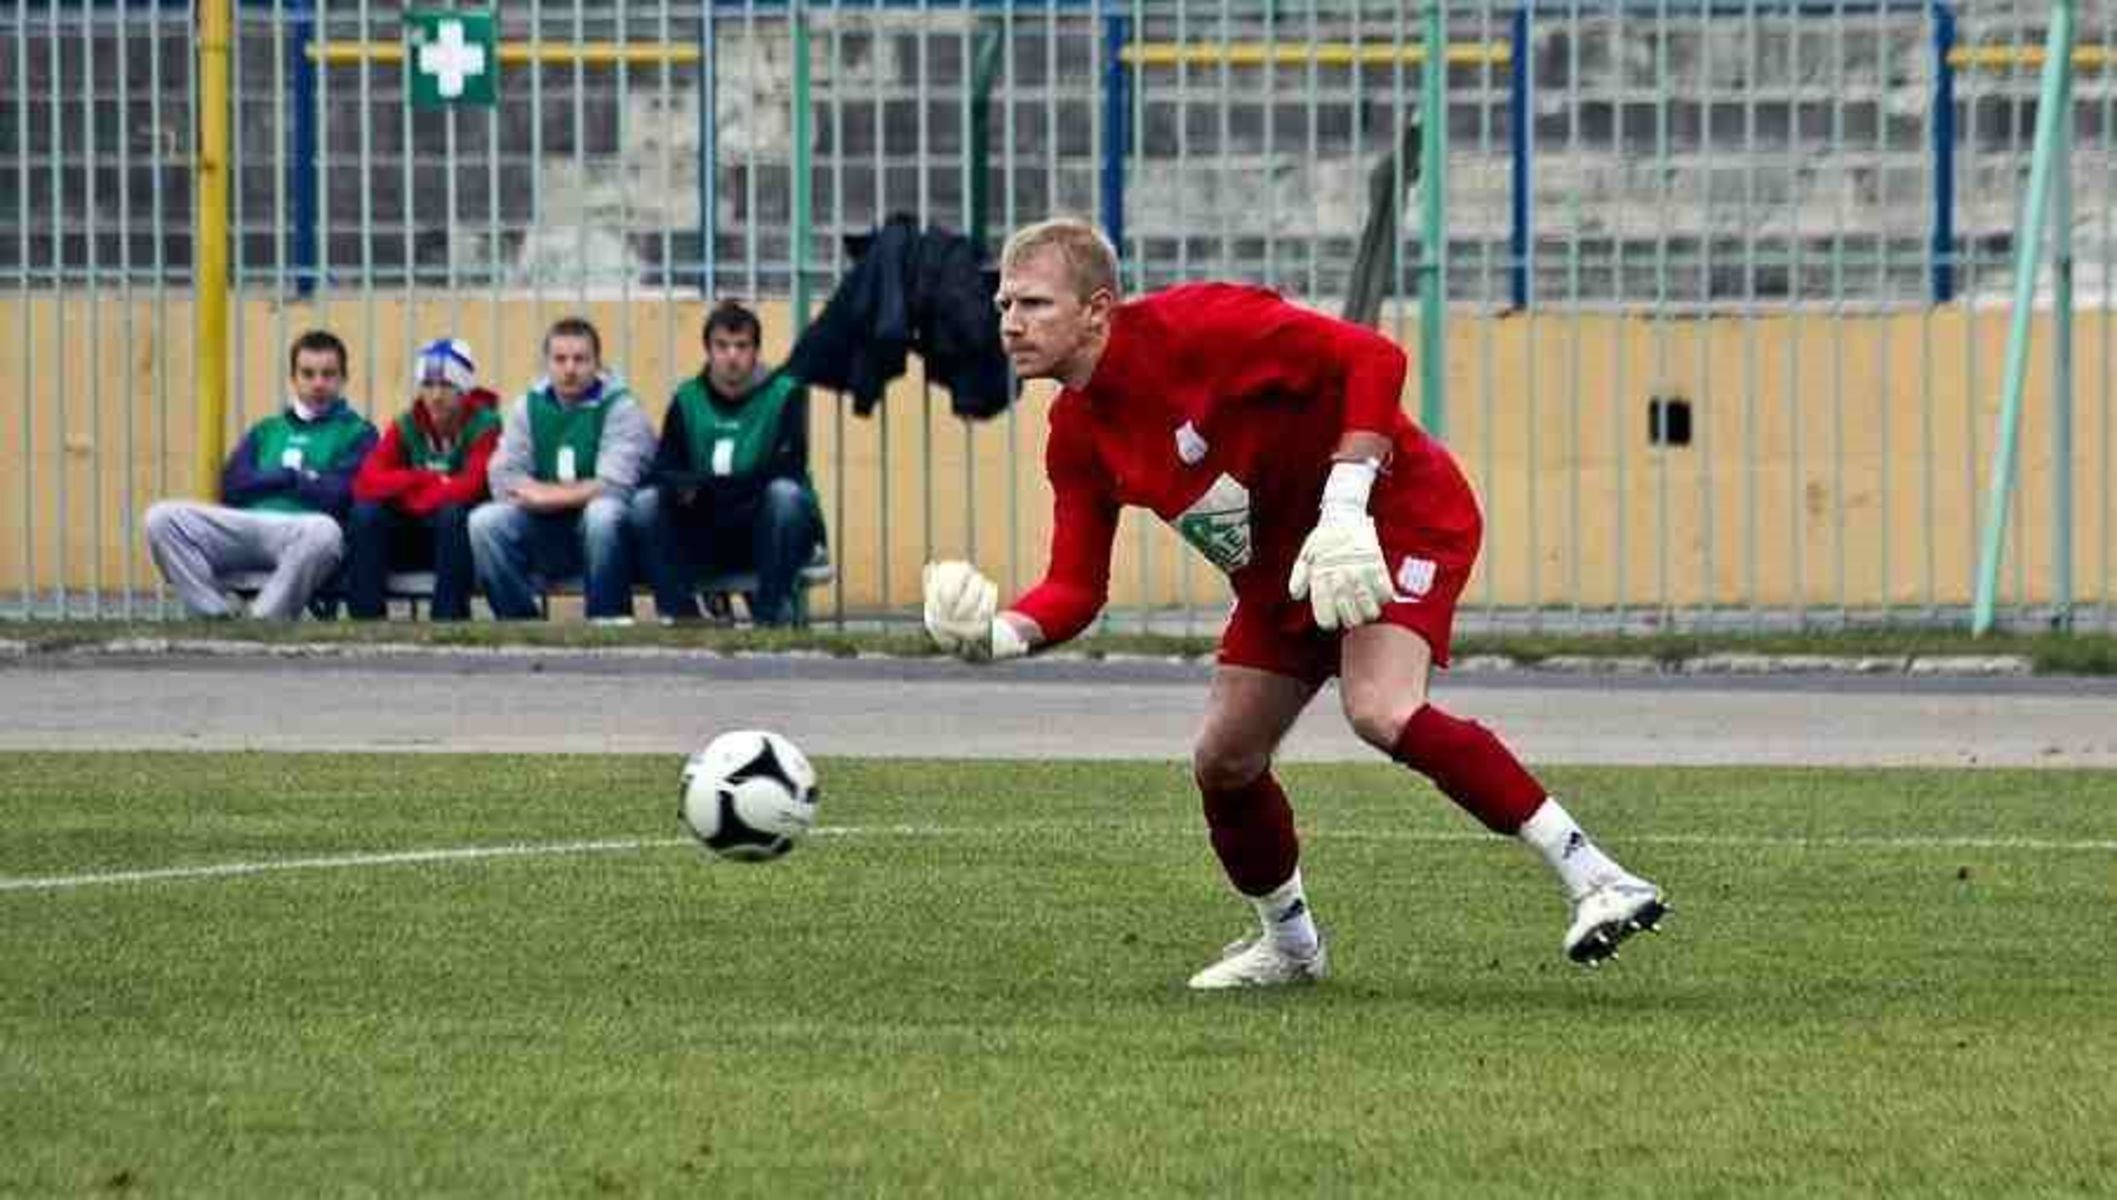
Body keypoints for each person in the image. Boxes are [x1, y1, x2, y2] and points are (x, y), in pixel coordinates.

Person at [922, 218, 1667, 989]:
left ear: (1098, 309)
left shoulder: (1201, 325)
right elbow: (1076, 588)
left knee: (1379, 708)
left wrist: (1346, 504)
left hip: (1393, 517)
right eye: (1004, 303)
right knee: (1224, 760)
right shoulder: (1075, 433)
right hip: (1283, 573)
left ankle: (1599, 877)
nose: (1010, 323)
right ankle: (1290, 946)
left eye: (1034, 304)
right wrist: (994, 635)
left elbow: (1373, 356)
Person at [144, 329, 377, 620]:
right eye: (308, 374)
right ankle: (213, 615)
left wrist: (272, 479)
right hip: (246, 526)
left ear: (343, 379)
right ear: (293, 379)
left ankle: (263, 619)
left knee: (326, 533)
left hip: (301, 531)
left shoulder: (359, 433)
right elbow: (232, 486)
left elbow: (339, 495)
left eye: (328, 374)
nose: (318, 384)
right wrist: (297, 477)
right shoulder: (266, 430)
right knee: (161, 519)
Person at [631, 302, 824, 627]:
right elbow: (665, 468)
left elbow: (786, 468)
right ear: (708, 351)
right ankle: (682, 619)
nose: (731, 356)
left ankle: (771, 619)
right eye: (722, 346)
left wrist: (709, 489)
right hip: (704, 528)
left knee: (785, 496)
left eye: (741, 346)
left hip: (762, 527)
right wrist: (689, 489)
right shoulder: (686, 398)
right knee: (645, 503)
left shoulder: (785, 393)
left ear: (755, 351)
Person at [469, 317, 654, 623]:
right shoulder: (527, 407)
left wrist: (544, 495)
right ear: (547, 364)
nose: (569, 369)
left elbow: (615, 485)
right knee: (484, 522)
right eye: (560, 359)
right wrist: (566, 494)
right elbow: (503, 479)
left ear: (597, 364)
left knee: (603, 513)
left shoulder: (621, 408)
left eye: (580, 359)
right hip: (542, 526)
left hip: (604, 535)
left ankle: (607, 621)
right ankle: (521, 623)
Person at [345, 338, 502, 621]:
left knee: (453, 513)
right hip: (412, 536)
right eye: (428, 385)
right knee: (365, 514)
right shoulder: (408, 424)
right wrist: (425, 480)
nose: (436, 395)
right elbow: (365, 482)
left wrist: (405, 492)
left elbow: (471, 487)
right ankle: (365, 622)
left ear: (464, 389)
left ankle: (448, 622)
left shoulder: (486, 426)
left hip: (459, 546)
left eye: (447, 385)